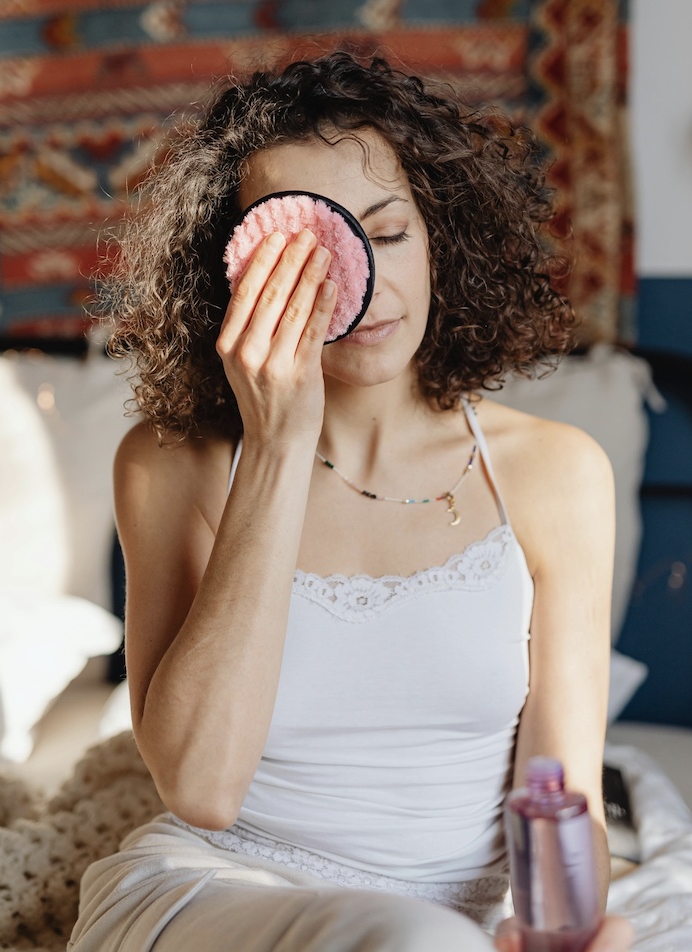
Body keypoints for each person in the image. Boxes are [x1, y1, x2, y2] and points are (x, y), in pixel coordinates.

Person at [69, 51, 634, 952]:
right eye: (306, 256)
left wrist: (561, 928)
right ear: (234, 276)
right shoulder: (171, 465)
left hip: (455, 923)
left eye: (389, 232)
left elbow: (562, 795)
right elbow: (202, 788)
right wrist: (278, 444)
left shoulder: (556, 472)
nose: (358, 280)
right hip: (222, 893)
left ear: (440, 236)